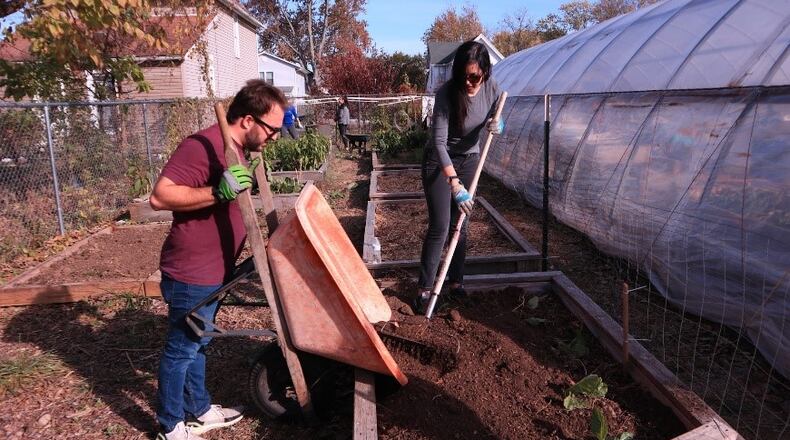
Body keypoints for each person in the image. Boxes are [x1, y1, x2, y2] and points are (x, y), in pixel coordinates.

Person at [149, 79, 286, 440]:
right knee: (181, 349)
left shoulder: (236, 150)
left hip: (215, 268)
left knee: (198, 341)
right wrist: (216, 191)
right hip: (191, 272)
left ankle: (199, 410)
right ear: (247, 121)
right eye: (272, 128)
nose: (275, 136)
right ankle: (170, 425)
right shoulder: (202, 146)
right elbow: (160, 197)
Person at [414, 40, 504, 313]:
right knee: (441, 226)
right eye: (463, 75)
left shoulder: (493, 89)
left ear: (485, 72)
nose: (468, 81)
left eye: (474, 76)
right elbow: (439, 143)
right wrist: (454, 183)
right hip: (439, 162)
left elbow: (497, 114)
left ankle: (456, 283)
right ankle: (425, 289)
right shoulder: (446, 94)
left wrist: (499, 123)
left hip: (470, 160)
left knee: (461, 225)